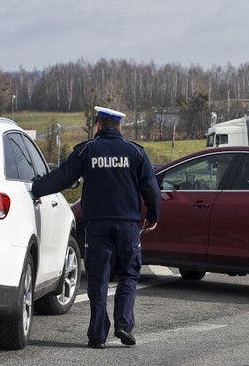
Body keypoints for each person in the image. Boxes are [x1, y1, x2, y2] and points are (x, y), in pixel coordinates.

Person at [32, 106, 161, 349]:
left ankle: (97, 335)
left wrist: (35, 189)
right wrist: (153, 217)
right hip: (128, 226)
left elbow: (62, 177)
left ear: (98, 126)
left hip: (97, 226)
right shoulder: (135, 152)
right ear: (120, 127)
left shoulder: (87, 150)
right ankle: (124, 325)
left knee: (98, 280)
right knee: (128, 275)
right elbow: (151, 190)